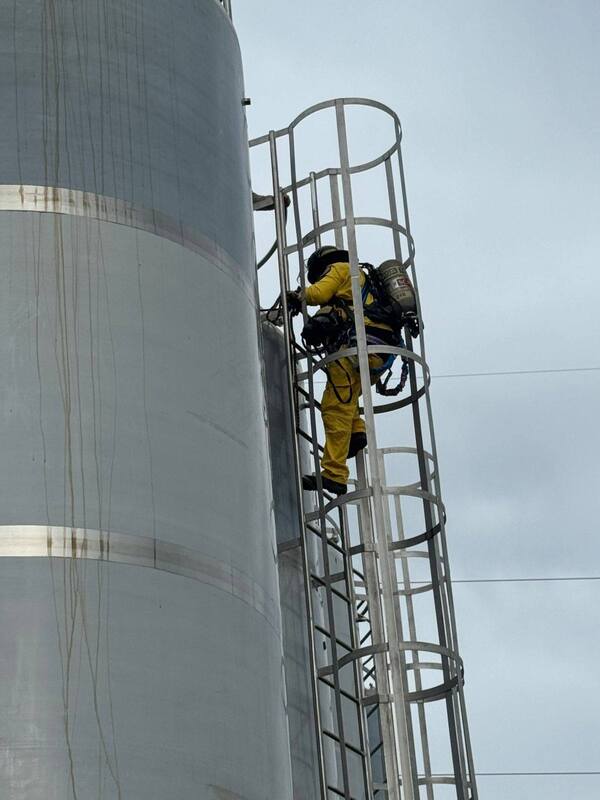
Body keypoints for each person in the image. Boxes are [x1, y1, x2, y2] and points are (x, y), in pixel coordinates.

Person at [288, 246, 398, 496]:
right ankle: (356, 433)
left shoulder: (339, 270)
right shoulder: (362, 280)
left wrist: (295, 296)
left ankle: (334, 474)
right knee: (348, 401)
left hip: (356, 348)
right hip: (378, 353)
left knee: (334, 406)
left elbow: (317, 293)